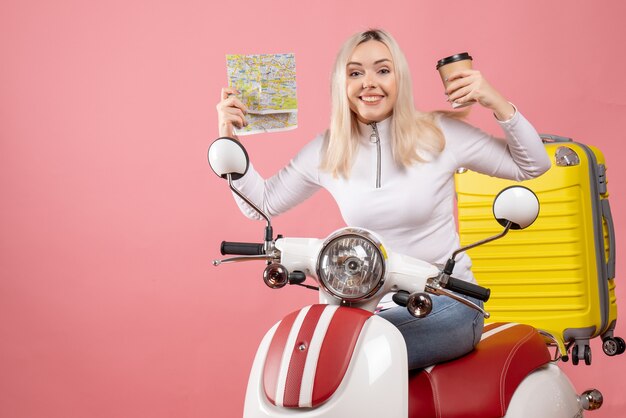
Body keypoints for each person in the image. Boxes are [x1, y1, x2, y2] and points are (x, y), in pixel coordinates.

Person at [215, 29, 551, 370]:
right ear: (341, 85)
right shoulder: (329, 149)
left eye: (383, 70)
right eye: (355, 73)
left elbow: (532, 165)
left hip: (447, 301)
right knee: (309, 349)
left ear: (399, 79)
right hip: (368, 307)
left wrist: (495, 101)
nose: (369, 83)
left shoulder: (439, 134)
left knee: (351, 353)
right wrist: (227, 137)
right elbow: (261, 204)